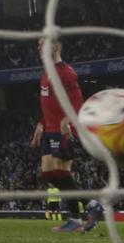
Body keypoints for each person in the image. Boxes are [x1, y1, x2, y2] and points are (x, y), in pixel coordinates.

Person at [28, 39, 85, 232]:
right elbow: (51, 107)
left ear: (56, 47)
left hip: (63, 131)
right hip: (50, 129)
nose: (38, 48)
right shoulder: (46, 76)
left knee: (60, 172)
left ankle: (77, 219)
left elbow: (77, 102)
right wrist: (41, 124)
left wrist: (67, 120)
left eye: (43, 44)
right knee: (47, 174)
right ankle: (91, 206)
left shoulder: (66, 73)